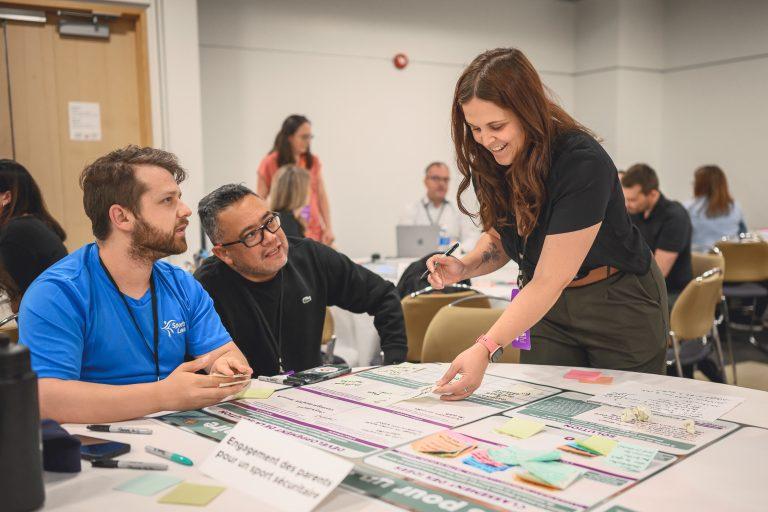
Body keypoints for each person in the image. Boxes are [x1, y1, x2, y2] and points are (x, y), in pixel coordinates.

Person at [424, 48, 668, 400]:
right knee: (542, 407)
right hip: (546, 307)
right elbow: (505, 235)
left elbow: (553, 277)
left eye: (497, 126)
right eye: (475, 128)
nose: (486, 140)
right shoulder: (492, 159)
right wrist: (465, 266)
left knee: (624, 417)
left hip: (618, 302)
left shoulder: (580, 162)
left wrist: (486, 346)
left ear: (528, 111)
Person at [18, 146, 251, 424]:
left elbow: (226, 354)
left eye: (179, 198)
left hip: (175, 431)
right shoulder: (58, 293)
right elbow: (46, 398)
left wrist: (227, 368)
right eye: (167, 200)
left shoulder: (181, 284)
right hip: (98, 446)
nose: (186, 210)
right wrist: (162, 396)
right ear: (122, 217)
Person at [195, 184, 407, 376]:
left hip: (309, 397)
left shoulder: (310, 257)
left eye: (269, 222)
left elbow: (384, 296)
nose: (270, 238)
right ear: (224, 254)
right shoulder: (204, 289)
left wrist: (394, 365)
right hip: (244, 404)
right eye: (251, 235)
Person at [257, 115, 334, 245]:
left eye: (310, 137)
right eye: (304, 137)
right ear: (289, 137)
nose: (308, 141)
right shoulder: (269, 163)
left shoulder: (312, 161)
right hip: (288, 230)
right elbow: (260, 201)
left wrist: (328, 228)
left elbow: (321, 195)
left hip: (314, 230)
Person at [0, 160, 68, 308]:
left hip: (48, 321)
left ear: (6, 197)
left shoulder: (16, 232)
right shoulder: (32, 225)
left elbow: (15, 298)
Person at [622, 164, 693, 301]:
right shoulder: (635, 212)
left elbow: (658, 273)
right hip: (643, 284)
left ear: (653, 194)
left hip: (671, 292)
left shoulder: (675, 217)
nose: (627, 204)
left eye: (633, 200)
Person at [398, 161, 481, 249]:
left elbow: (472, 238)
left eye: (445, 179)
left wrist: (456, 249)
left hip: (451, 258)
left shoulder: (460, 208)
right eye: (436, 178)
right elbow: (405, 244)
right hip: (420, 260)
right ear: (425, 181)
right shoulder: (411, 210)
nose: (441, 183)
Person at [685, 165, 747, 252]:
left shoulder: (689, 207)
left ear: (699, 184)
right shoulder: (735, 207)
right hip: (731, 259)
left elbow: (681, 237)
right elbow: (743, 234)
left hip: (701, 260)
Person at [270, 165, 311, 238]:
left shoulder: (279, 219)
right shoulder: (289, 227)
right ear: (300, 192)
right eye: (308, 188)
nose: (310, 192)